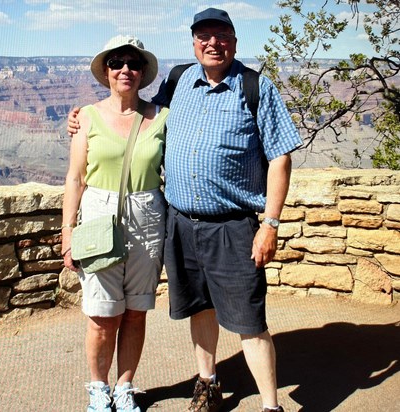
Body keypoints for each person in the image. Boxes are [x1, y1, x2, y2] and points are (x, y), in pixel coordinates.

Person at [68, 8, 302, 412]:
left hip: (233, 225)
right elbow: (132, 111)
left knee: (249, 320)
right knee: (200, 308)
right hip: (180, 223)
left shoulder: (255, 88)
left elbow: (280, 158)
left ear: (234, 40)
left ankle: (270, 405)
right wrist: (79, 118)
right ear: (194, 42)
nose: (213, 43)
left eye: (221, 35)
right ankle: (207, 384)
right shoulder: (178, 83)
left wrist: (271, 224)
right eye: (204, 36)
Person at [61, 35, 168, 412]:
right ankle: (97, 387)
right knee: (102, 315)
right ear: (106, 71)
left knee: (136, 311)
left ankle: (124, 387)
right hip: (98, 215)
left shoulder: (161, 116)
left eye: (134, 63)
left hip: (147, 216)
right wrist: (67, 231)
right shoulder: (86, 117)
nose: (126, 70)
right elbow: (75, 178)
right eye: (117, 63)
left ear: (143, 73)